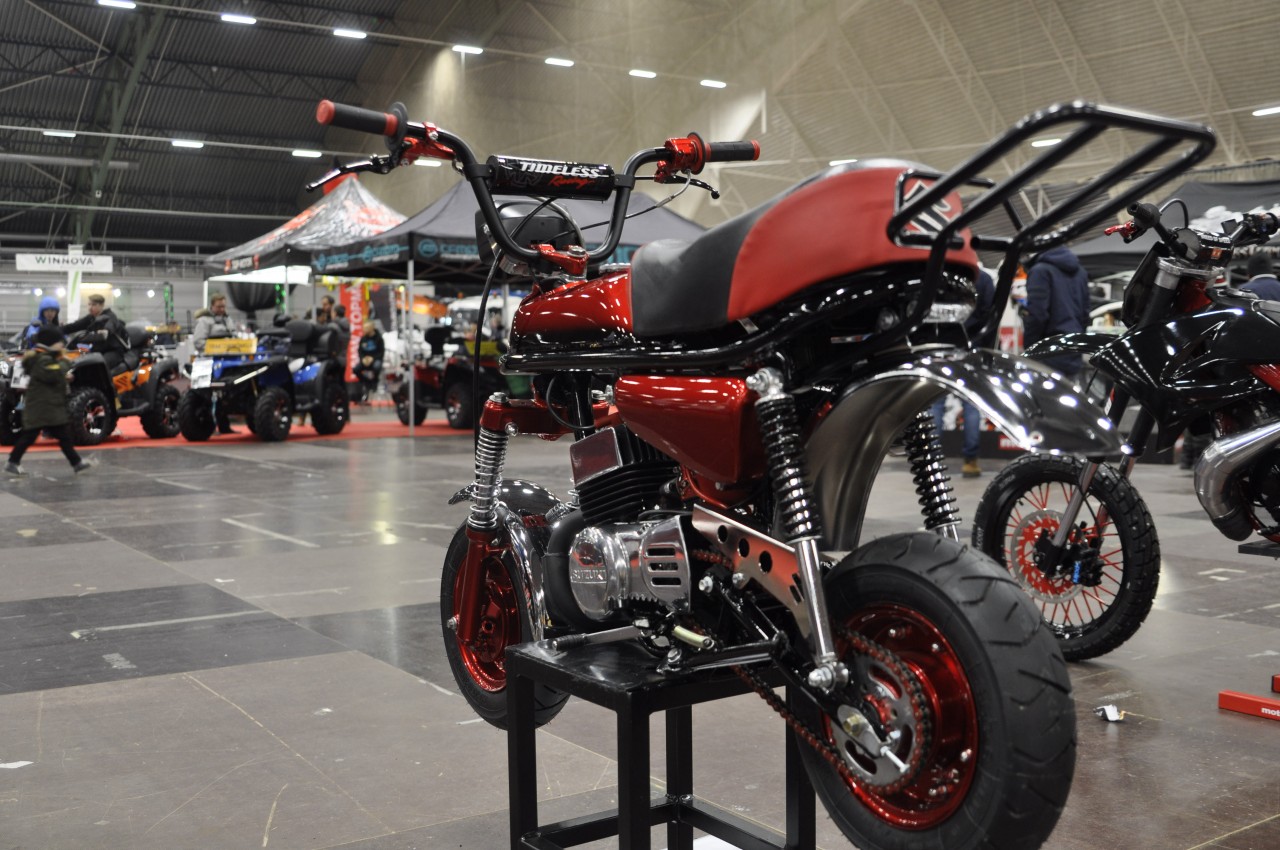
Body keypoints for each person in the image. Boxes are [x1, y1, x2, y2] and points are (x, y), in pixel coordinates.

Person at [931, 269, 997, 477]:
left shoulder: (941, 275)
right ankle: (970, 461)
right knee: (970, 405)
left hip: (941, 346)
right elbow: (990, 317)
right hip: (971, 347)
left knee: (935, 403)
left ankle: (932, 459)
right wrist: (987, 352)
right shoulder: (983, 279)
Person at [5, 327, 94, 476]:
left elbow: (51, 377)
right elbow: (53, 374)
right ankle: (12, 462)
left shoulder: (45, 358)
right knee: (30, 436)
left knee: (62, 436)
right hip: (41, 407)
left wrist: (62, 376)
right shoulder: (43, 359)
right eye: (59, 342)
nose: (62, 345)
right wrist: (66, 362)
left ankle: (76, 463)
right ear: (51, 343)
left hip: (47, 406)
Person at [1022, 246, 1090, 377]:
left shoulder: (1040, 271)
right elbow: (1085, 313)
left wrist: (1030, 348)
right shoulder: (1081, 272)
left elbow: (1037, 314)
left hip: (1047, 354)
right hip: (1073, 351)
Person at [61, 293, 129, 371]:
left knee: (100, 366)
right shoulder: (91, 318)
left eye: (94, 305)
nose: (90, 307)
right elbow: (74, 326)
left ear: (101, 305)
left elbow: (111, 323)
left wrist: (106, 330)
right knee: (80, 363)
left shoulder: (110, 316)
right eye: (89, 304)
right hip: (97, 350)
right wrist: (55, 331)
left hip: (113, 351)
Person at [356, 323, 385, 402]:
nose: (364, 330)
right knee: (356, 369)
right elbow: (360, 351)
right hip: (365, 360)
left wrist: (373, 358)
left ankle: (374, 381)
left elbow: (381, 352)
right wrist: (363, 359)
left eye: (366, 328)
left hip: (376, 359)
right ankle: (367, 382)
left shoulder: (379, 338)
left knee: (377, 367)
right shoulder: (363, 338)